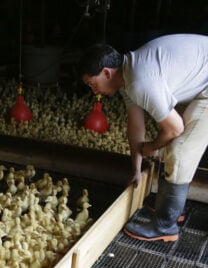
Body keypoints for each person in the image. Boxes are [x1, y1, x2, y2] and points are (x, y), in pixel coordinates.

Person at [78, 33, 208, 241]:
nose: (94, 91)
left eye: (92, 84)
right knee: (171, 140)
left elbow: (175, 129)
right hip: (201, 78)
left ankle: (166, 226)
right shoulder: (128, 77)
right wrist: (136, 170)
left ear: (106, 73)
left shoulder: (140, 82)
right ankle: (171, 209)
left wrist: (152, 147)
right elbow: (135, 126)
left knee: (180, 149)